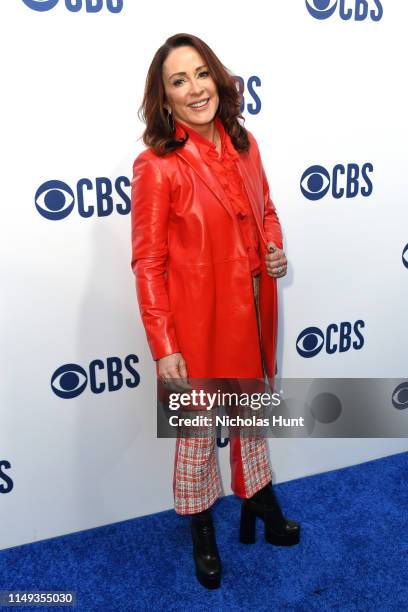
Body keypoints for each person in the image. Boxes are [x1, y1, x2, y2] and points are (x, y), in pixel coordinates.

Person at [130, 33, 300, 590]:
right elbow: (148, 262)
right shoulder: (157, 166)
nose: (195, 88)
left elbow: (267, 211)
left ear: (218, 79)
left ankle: (258, 501)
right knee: (198, 433)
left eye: (201, 73)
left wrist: (272, 250)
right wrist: (164, 345)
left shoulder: (246, 145)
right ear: (165, 100)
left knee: (252, 419)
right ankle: (202, 528)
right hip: (196, 323)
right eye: (179, 81)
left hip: (252, 312)